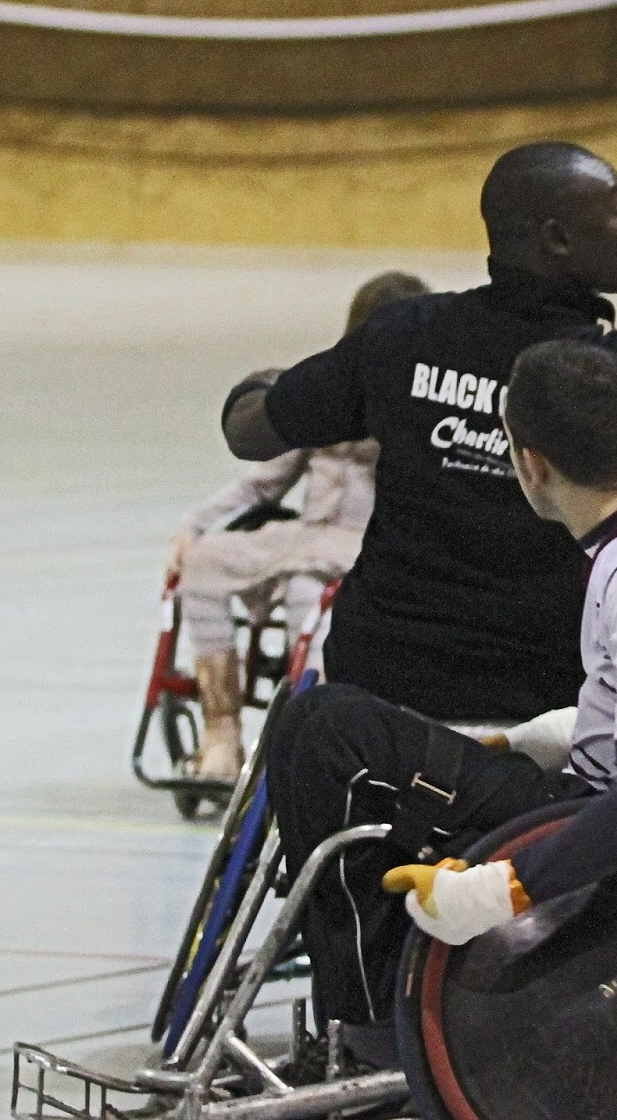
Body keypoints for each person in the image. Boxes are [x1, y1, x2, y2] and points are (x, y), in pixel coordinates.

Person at [267, 340, 617, 1058]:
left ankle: (368, 1034)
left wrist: (498, 893)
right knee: (320, 721)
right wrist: (545, 737)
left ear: (532, 465)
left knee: (334, 734)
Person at [221, 142, 617, 722]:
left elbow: (249, 432)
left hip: (375, 693)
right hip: (538, 710)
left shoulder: (404, 337)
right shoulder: (615, 376)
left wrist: (268, 386)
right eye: (615, 211)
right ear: (558, 240)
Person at [168, 271, 428, 780]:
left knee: (304, 589)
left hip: (364, 544)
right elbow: (264, 482)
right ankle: (220, 731)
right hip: (305, 537)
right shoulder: (331, 391)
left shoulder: (420, 406)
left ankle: (302, 743)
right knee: (203, 566)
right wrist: (194, 525)